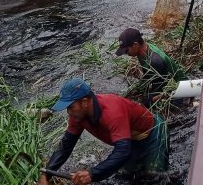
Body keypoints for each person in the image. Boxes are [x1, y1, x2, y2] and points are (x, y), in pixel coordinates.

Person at [38, 78, 168, 185]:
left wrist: (91, 174)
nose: (69, 112)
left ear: (84, 102)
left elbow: (123, 151)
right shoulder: (77, 116)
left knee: (155, 178)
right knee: (126, 177)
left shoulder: (112, 111)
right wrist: (46, 174)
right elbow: (65, 147)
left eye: (70, 107)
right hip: (129, 141)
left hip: (153, 134)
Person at [115, 28, 186, 106]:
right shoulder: (142, 51)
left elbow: (162, 88)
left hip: (181, 89)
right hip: (161, 79)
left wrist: (147, 101)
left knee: (147, 103)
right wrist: (138, 89)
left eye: (126, 51)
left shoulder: (155, 61)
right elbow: (148, 75)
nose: (126, 54)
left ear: (135, 45)